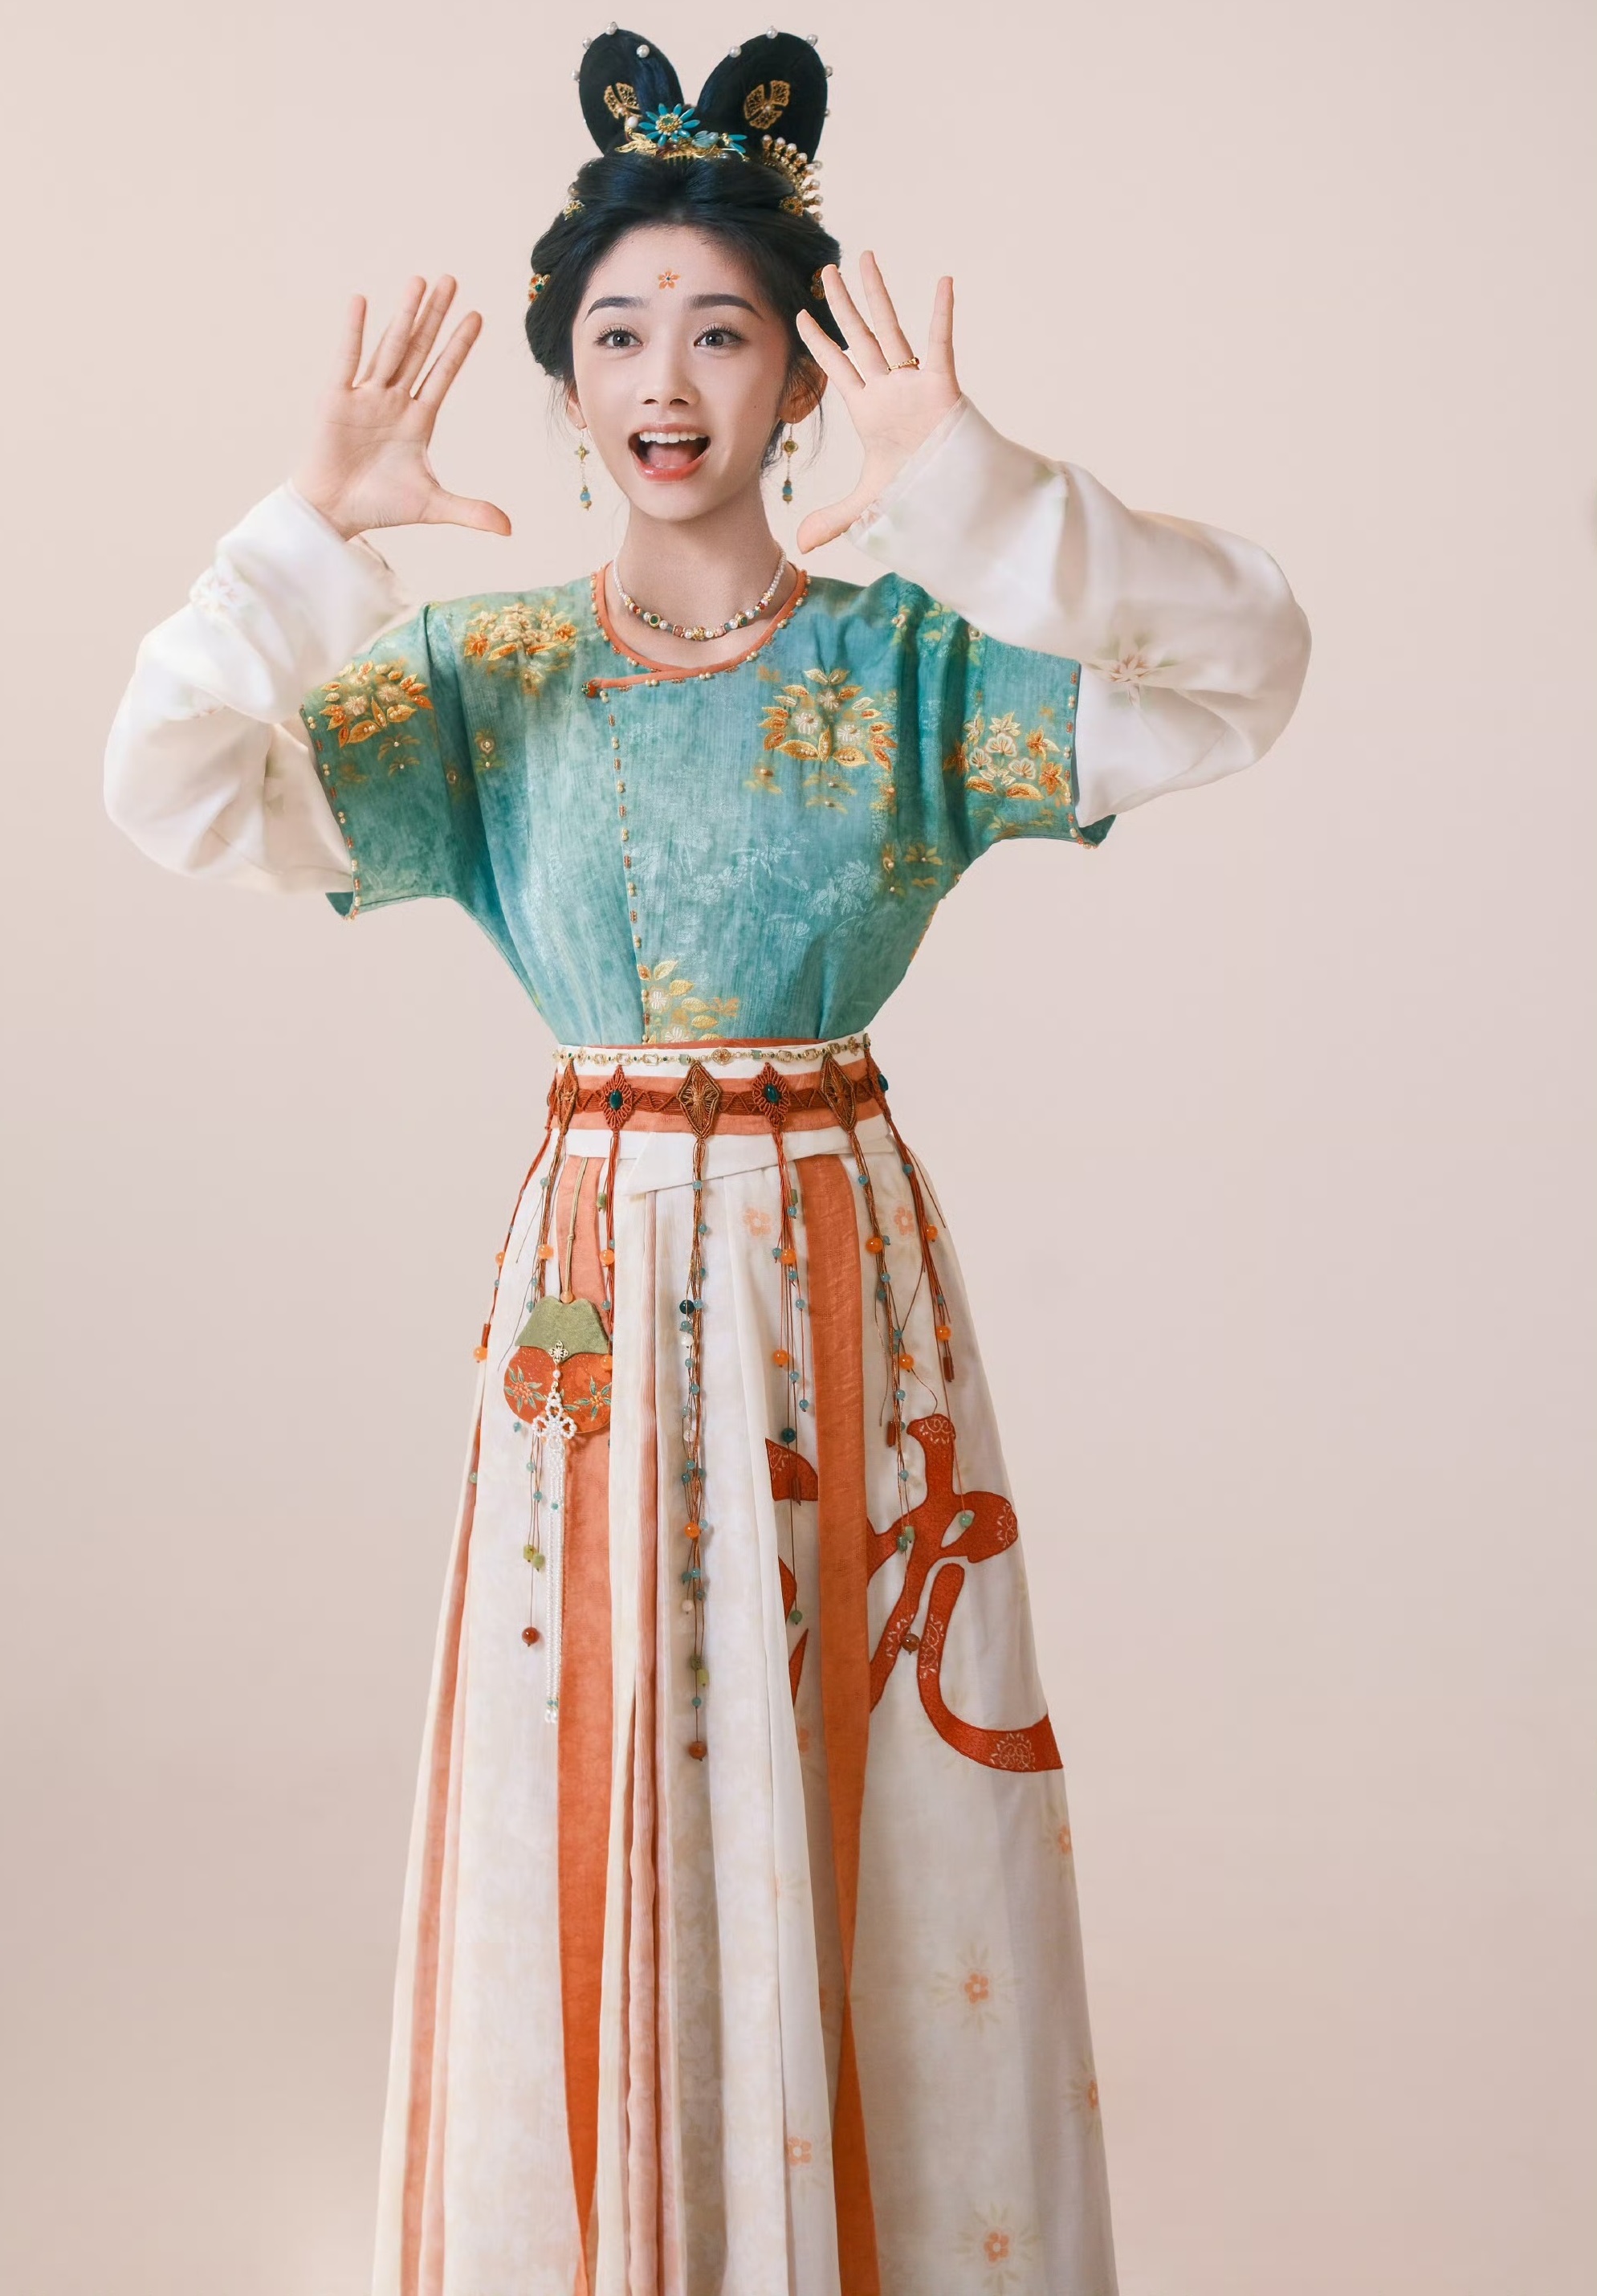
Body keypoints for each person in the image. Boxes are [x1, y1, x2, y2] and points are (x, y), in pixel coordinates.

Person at [104, 25, 1310, 2296]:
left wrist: (987, 496)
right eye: (620, 334)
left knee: (873, 1798)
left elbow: (1248, 671)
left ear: (800, 376)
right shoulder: (482, 685)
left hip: (839, 1270)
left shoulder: (909, 665)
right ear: (566, 386)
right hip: (587, 1294)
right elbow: (169, 793)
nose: (668, 380)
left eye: (725, 332)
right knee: (590, 1778)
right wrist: (303, 541)